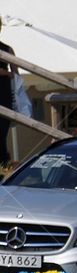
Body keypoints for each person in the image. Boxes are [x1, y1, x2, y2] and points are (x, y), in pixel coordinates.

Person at [0, 19, 17, 165]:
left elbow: (15, 72)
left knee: (2, 133)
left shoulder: (6, 49)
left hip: (3, 94)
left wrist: (7, 73)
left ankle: (4, 162)